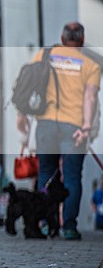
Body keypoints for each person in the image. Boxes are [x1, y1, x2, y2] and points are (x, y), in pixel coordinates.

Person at [17, 22, 101, 240]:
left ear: (63, 38)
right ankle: (69, 227)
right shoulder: (90, 64)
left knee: (46, 173)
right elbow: (90, 97)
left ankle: (45, 223)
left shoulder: (46, 55)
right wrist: (86, 127)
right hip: (73, 126)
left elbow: (29, 82)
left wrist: (22, 114)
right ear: (82, 41)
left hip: (45, 123)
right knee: (72, 176)